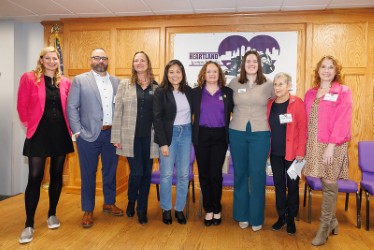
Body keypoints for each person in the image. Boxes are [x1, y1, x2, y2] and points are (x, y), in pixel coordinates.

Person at [17, 46, 74, 244]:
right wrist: (29, 126)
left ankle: (52, 214)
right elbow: (21, 106)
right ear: (41, 60)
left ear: (58, 61)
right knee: (35, 177)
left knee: (57, 175)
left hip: (60, 133)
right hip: (38, 134)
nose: (51, 61)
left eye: (55, 58)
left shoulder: (66, 82)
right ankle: (29, 224)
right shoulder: (29, 78)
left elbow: (71, 107)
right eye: (47, 58)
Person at [67, 48, 123, 229]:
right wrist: (77, 132)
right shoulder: (80, 81)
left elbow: (121, 109)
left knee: (110, 171)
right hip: (88, 135)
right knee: (88, 174)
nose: (100, 61)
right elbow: (72, 107)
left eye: (104, 58)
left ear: (108, 61)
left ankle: (109, 202)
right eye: (97, 58)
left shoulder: (117, 82)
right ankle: (88, 209)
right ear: (90, 60)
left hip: (111, 135)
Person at [303, 56, 352, 246]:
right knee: (323, 181)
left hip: (334, 145)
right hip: (315, 144)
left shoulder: (343, 91)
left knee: (329, 183)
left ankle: (323, 230)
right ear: (318, 70)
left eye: (331, 67)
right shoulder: (310, 93)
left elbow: (343, 121)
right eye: (323, 67)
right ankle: (333, 221)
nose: (326, 70)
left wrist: (331, 146)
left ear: (336, 71)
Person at [111, 51, 159, 225]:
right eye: (136, 61)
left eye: (142, 60)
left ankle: (141, 208)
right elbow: (118, 113)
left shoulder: (156, 87)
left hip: (150, 138)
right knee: (137, 172)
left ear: (148, 63)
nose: (139, 63)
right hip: (130, 138)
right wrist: (116, 136)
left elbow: (158, 116)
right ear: (133, 65)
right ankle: (132, 199)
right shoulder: (125, 85)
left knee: (146, 174)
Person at [228, 50, 274, 231]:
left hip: (260, 133)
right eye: (248, 61)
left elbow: (277, 103)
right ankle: (242, 214)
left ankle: (256, 217)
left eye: (255, 61)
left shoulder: (268, 84)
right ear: (243, 64)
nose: (252, 64)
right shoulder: (234, 82)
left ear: (259, 64)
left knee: (257, 174)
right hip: (237, 132)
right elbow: (226, 105)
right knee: (240, 174)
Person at [190, 61, 234, 226]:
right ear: (203, 74)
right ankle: (208, 210)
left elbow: (240, 111)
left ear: (219, 74)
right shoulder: (195, 93)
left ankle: (217, 209)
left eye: (215, 71)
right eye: (209, 71)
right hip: (201, 136)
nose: (212, 74)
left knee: (216, 175)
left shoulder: (228, 92)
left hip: (219, 137)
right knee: (204, 174)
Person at [267, 72, 307, 235]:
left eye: (281, 84)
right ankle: (281, 216)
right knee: (279, 186)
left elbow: (303, 129)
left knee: (292, 186)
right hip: (275, 154)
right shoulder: (270, 104)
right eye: (275, 84)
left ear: (289, 86)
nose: (277, 87)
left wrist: (301, 152)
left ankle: (291, 219)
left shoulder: (297, 103)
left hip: (294, 155)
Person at [153, 59, 192, 225]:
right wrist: (162, 143)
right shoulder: (160, 92)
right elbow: (157, 118)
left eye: (178, 71)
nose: (175, 75)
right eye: (171, 72)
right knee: (167, 174)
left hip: (186, 133)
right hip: (169, 136)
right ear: (166, 74)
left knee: (183, 175)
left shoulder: (189, 91)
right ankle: (166, 208)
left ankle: (179, 209)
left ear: (182, 73)